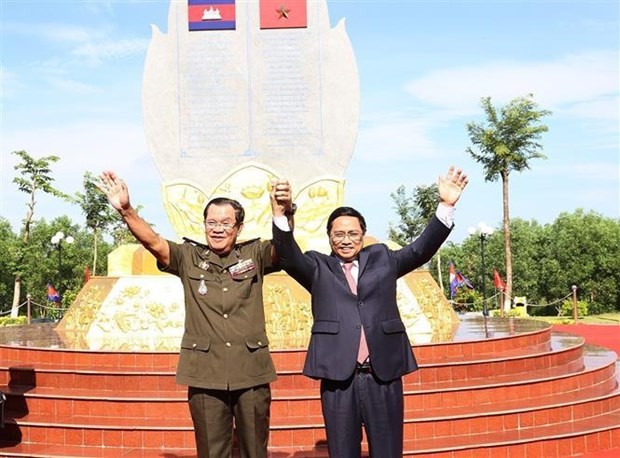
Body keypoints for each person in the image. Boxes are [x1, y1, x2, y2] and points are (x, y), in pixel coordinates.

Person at [269, 166, 468, 457]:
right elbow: (287, 254)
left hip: (382, 374)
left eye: (353, 233)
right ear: (329, 238)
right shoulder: (317, 267)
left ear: (363, 235)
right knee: (342, 452)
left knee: (387, 451)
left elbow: (420, 250)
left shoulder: (383, 259)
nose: (346, 240)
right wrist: (279, 214)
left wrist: (446, 205)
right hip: (339, 378)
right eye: (339, 234)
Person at [98, 171, 294, 458]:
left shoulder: (255, 254)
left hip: (251, 370)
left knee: (256, 451)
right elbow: (153, 242)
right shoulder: (188, 257)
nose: (217, 229)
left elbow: (286, 252)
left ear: (238, 227)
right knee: (211, 452)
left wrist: (284, 213)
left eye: (225, 223)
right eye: (211, 223)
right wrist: (126, 210)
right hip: (205, 373)